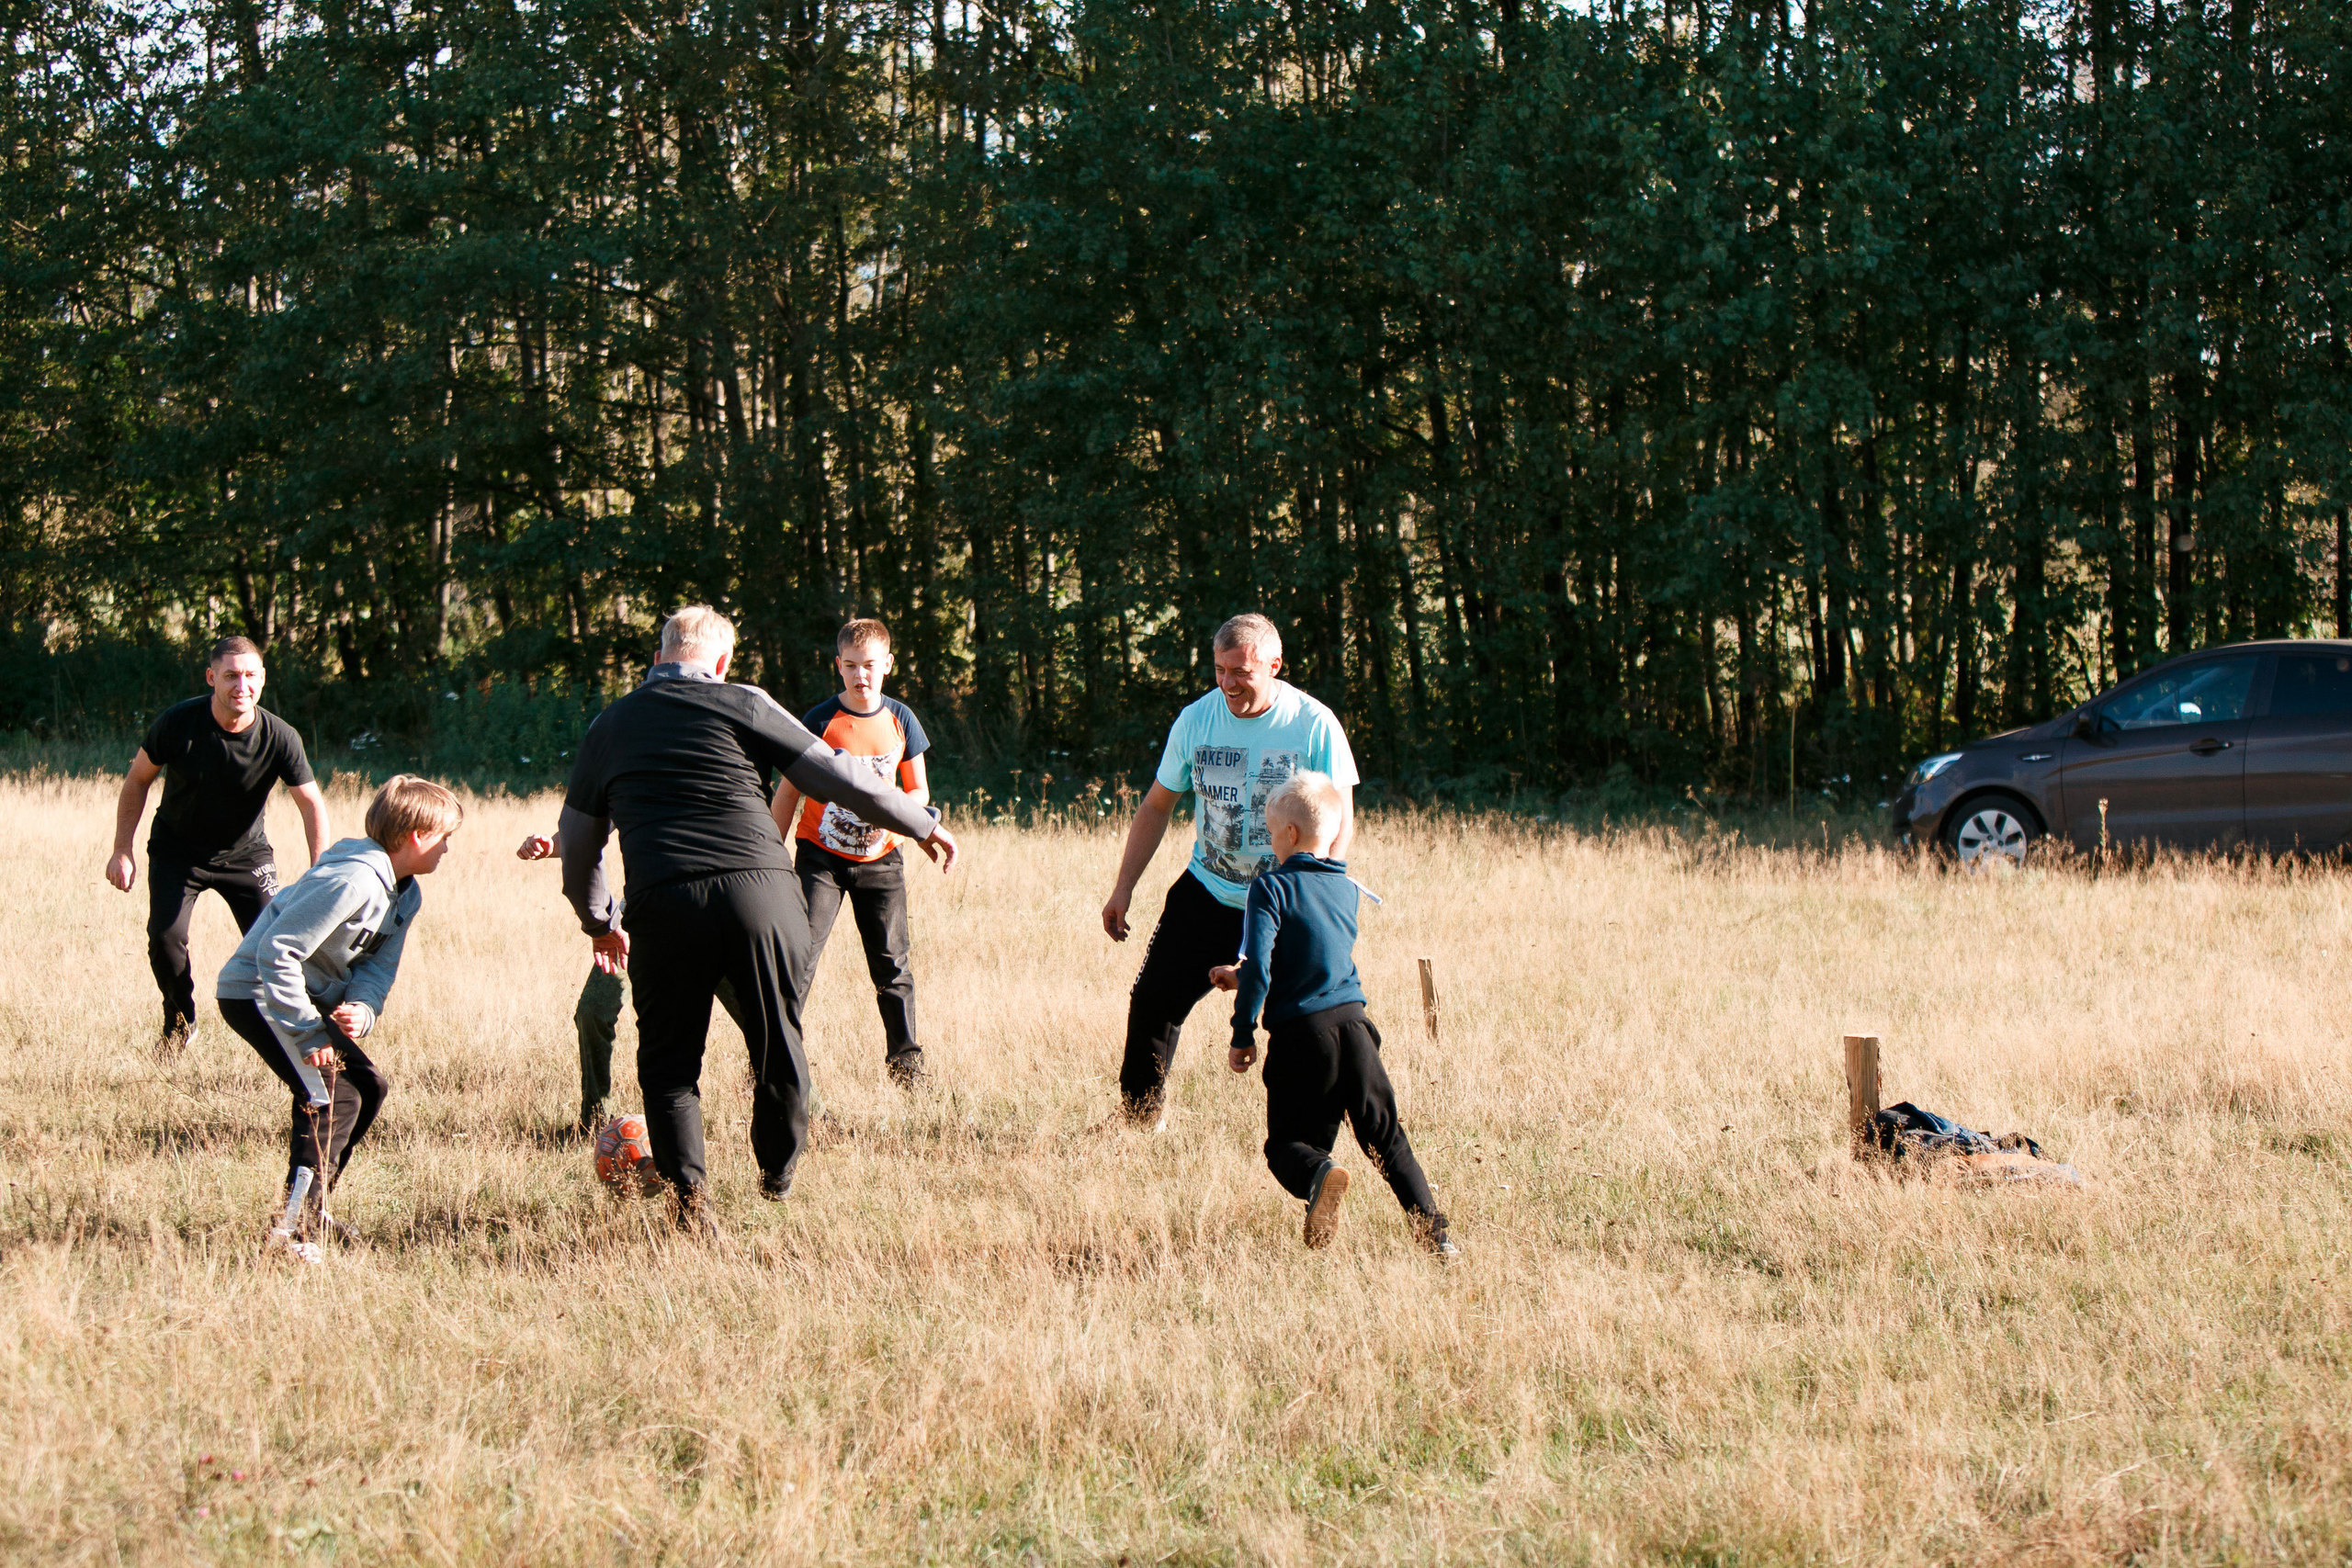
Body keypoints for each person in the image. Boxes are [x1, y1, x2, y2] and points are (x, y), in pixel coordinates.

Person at [557, 605, 959, 1235]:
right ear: (720, 664)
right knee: (778, 1041)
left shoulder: (611, 724)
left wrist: (600, 920)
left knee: (668, 1066)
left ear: (660, 658)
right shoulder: (743, 701)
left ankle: (691, 1204)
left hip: (664, 902)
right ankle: (777, 1174)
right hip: (763, 897)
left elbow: (578, 840)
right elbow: (837, 773)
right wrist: (922, 822)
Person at [1100, 614, 1358, 1128]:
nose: (1228, 684)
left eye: (1241, 671)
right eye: (1220, 670)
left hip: (1286, 899)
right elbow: (1156, 806)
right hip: (1208, 891)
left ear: (1275, 665)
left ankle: (1308, 1136)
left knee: (1300, 1021)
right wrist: (1122, 888)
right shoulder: (1197, 720)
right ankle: (1137, 1123)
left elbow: (1340, 821)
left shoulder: (1313, 724)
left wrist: (1316, 895)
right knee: (1153, 1001)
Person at [215, 774, 462, 1258]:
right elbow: (277, 951)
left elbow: (377, 967)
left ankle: (313, 1207)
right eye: (444, 838)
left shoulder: (406, 893)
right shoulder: (351, 879)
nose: (447, 850)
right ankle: (289, 1232)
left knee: (367, 1087)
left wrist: (363, 1009)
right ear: (416, 837)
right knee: (328, 1092)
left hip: (306, 997)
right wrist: (309, 1032)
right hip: (259, 992)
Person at [1211, 771, 1453, 1256]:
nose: (1271, 840)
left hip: (1303, 1037)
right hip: (1356, 1029)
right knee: (1387, 1140)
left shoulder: (1270, 889)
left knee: (1287, 1147)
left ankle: (1320, 1176)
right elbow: (1309, 958)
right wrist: (1239, 976)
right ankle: (1438, 1238)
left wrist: (1242, 1031)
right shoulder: (1346, 889)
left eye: (1272, 831)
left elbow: (1263, 967)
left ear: (1291, 834)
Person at [106, 636, 332, 1056]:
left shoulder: (280, 737)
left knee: (278, 945)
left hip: (247, 857)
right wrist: (123, 849)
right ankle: (180, 1021)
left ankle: (302, 1035)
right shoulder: (178, 723)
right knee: (165, 938)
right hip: (178, 852)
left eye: (250, 676)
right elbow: (137, 780)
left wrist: (321, 869)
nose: (240, 686)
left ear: (262, 679)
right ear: (212, 678)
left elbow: (311, 803)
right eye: (230, 676)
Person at [767, 617, 936, 1088]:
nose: (861, 675)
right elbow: (787, 794)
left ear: (887, 665)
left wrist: (897, 811)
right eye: (850, 666)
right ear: (837, 667)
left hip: (882, 861)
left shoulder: (902, 719)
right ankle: (777, 1061)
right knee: (797, 958)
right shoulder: (819, 721)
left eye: (869, 666)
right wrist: (769, 853)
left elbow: (918, 790)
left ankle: (907, 1066)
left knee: (892, 964)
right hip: (820, 858)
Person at [515, 826, 752, 1134]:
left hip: (714, 911)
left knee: (760, 1019)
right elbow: (587, 829)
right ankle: (595, 1121)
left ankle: (811, 1115)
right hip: (643, 913)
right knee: (593, 1011)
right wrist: (550, 846)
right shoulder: (629, 776)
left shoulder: (719, 778)